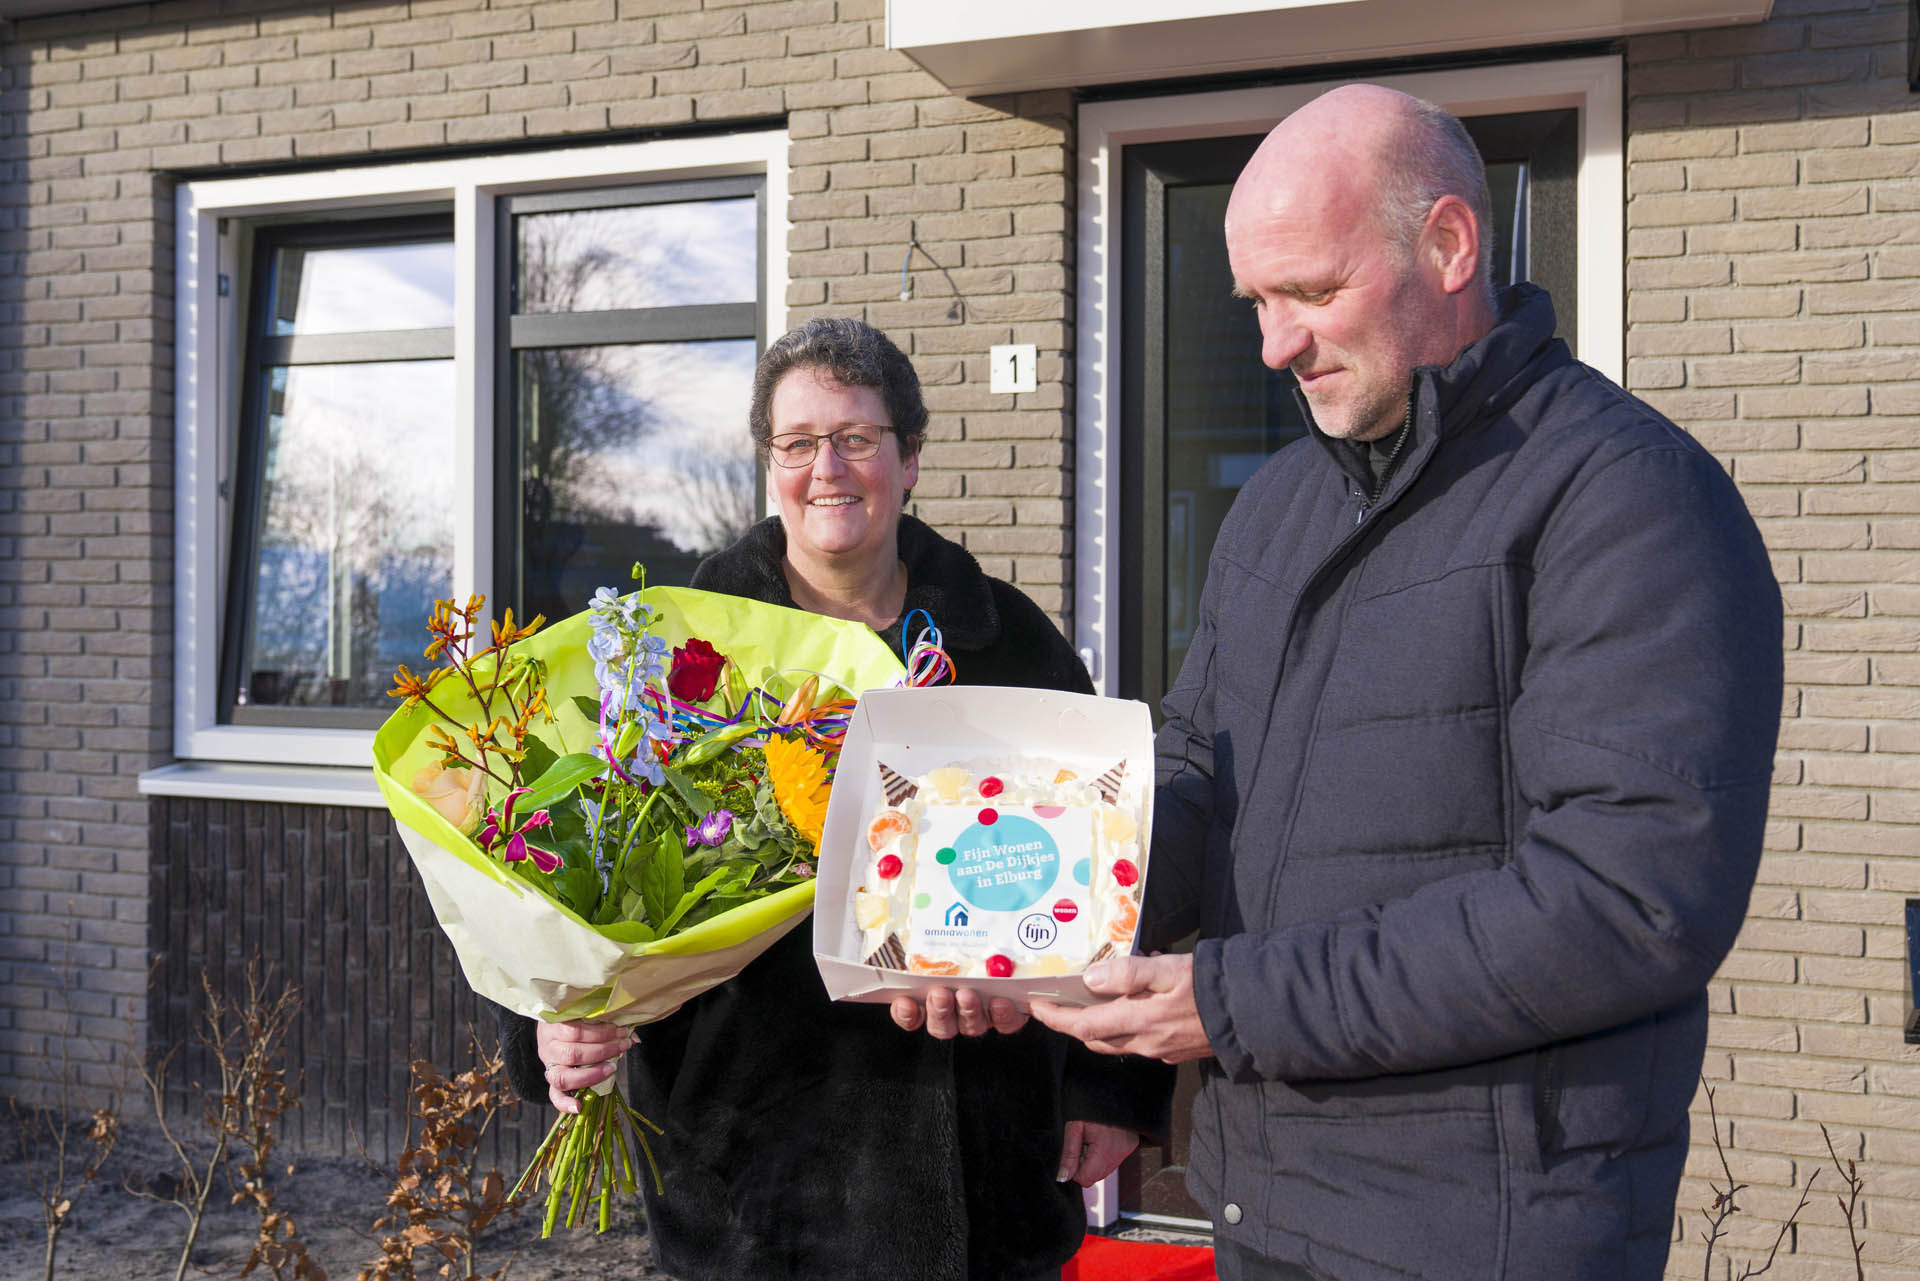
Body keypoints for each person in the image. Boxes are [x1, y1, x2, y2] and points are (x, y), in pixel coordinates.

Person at [1026, 85, 1783, 1280]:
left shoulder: (1626, 497)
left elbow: (1628, 899)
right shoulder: (1278, 506)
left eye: (1314, 293)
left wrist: (1232, 1004)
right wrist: (1026, 930)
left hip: (1483, 1232)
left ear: (1447, 244)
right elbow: (1191, 771)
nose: (1276, 344)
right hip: (1263, 1209)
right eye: (1259, 303)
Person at [496, 316, 1170, 1281]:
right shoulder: (683, 658)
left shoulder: (1006, 641)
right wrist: (549, 1019)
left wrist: (1114, 1079)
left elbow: (1118, 855)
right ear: (769, 464)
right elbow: (571, 862)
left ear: (911, 458)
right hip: (753, 1178)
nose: (828, 469)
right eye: (798, 444)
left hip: (982, 1165)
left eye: (856, 439)